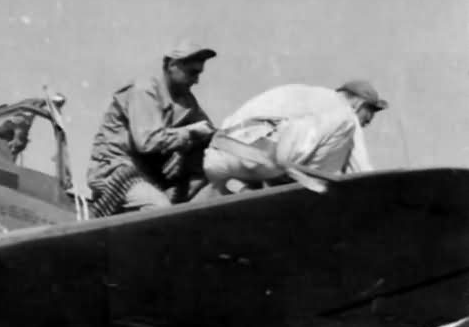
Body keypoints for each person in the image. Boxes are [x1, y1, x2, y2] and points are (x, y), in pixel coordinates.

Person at [86, 40, 216, 214]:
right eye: (192, 73)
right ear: (172, 65)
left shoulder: (186, 102)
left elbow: (208, 131)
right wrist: (188, 134)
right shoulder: (144, 89)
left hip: (145, 177)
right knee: (159, 210)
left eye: (198, 73)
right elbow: (147, 141)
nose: (196, 80)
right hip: (116, 171)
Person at [201, 80, 387, 195]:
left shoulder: (302, 95)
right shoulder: (344, 111)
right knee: (345, 124)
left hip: (215, 158)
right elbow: (362, 172)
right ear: (359, 104)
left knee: (285, 140)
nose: (364, 125)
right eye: (367, 120)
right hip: (259, 159)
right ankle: (312, 194)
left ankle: (241, 187)